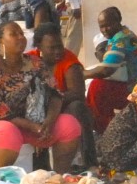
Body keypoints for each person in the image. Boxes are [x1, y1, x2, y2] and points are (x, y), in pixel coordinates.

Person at [0, 22, 81, 176]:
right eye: (13, 34)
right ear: (0, 41)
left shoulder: (35, 63)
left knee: (69, 125)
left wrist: (49, 122)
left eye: (21, 34)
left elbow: (55, 95)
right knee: (7, 133)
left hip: (34, 124)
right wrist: (32, 126)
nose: (20, 37)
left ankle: (59, 179)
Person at [86, 7, 137, 131]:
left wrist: (82, 74)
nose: (104, 30)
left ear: (118, 21)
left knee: (97, 87)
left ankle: (104, 130)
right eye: (101, 27)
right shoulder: (122, 34)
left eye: (108, 25)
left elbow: (106, 70)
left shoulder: (120, 40)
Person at [27, 23, 97, 169]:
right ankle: (40, 166)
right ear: (39, 47)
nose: (58, 51)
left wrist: (50, 106)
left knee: (78, 107)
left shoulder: (69, 61)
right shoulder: (30, 60)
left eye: (60, 46)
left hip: (63, 108)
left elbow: (77, 93)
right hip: (35, 111)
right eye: (52, 48)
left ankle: (89, 162)